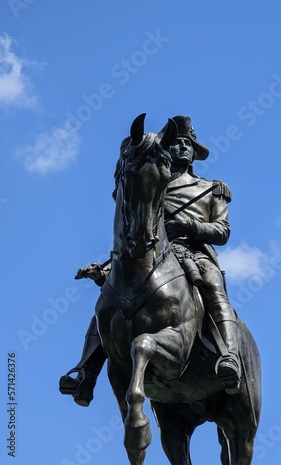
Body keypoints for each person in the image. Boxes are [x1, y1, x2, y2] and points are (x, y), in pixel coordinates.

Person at [59, 115, 240, 406]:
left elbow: (222, 230)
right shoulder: (155, 179)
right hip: (151, 253)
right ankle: (86, 371)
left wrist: (188, 227)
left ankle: (228, 356)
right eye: (177, 142)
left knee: (213, 286)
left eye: (188, 143)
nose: (182, 147)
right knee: (111, 300)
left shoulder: (212, 188)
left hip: (195, 254)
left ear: (195, 152)